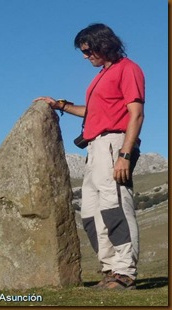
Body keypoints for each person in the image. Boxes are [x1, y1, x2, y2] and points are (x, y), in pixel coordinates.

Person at [34, 23, 145, 290]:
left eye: (87, 50)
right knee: (92, 213)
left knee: (115, 206)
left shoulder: (128, 69)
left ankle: (124, 272)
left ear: (102, 44)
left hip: (113, 144)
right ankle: (109, 270)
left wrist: (125, 155)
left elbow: (136, 113)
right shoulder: (101, 75)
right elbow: (93, 112)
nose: (85, 56)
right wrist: (60, 105)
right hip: (94, 148)